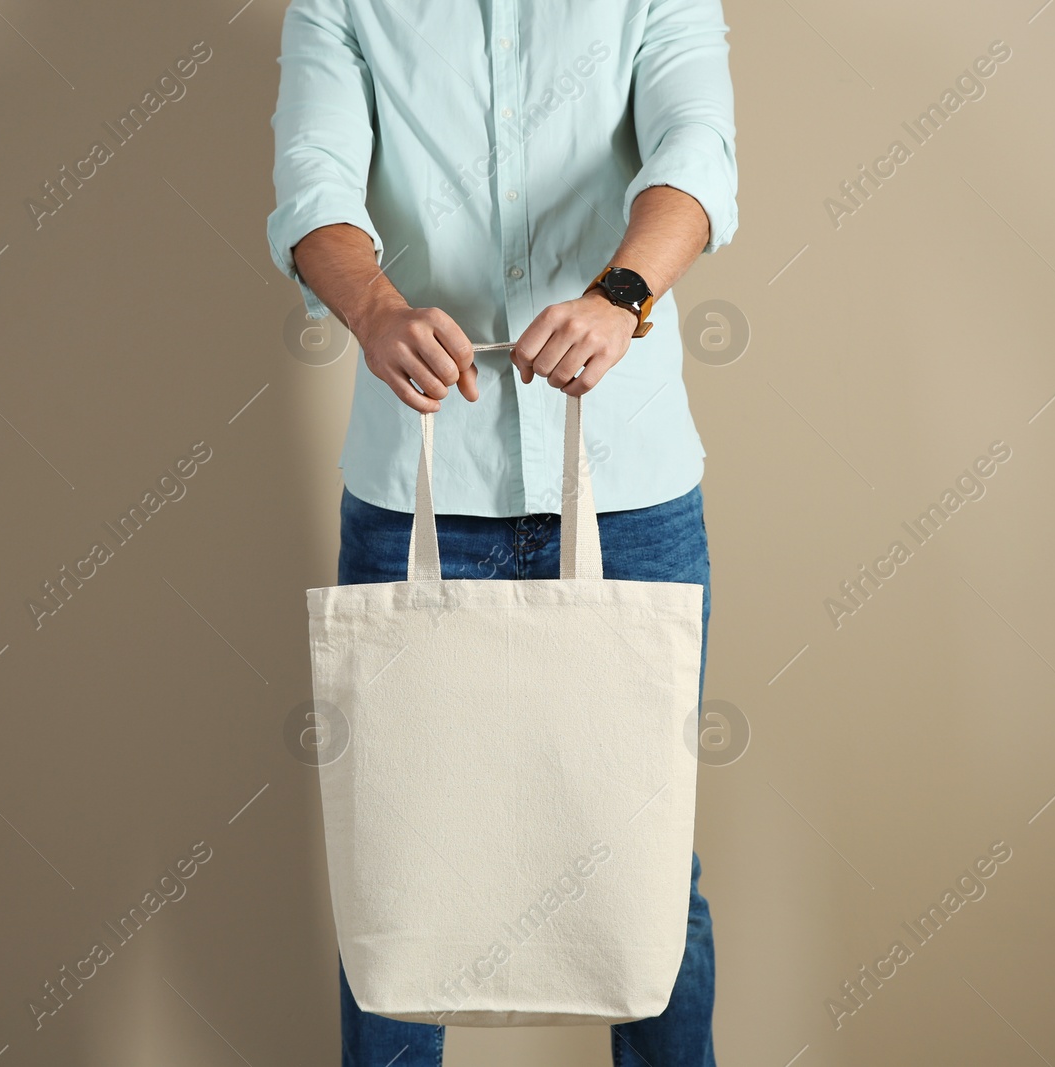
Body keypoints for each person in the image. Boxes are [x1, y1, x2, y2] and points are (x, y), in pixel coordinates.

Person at [266, 1, 738, 1063]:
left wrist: (620, 294)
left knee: (654, 862)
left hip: (627, 487)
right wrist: (377, 311)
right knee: (397, 859)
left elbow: (695, 148)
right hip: (419, 484)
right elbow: (314, 182)